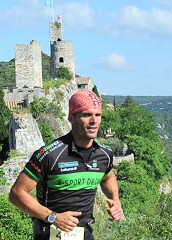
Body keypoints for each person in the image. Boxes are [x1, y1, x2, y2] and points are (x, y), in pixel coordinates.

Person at [9, 89, 123, 240]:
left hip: (86, 235)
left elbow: (108, 177)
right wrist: (53, 217)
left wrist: (115, 201)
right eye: (86, 114)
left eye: (98, 115)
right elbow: (16, 194)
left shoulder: (104, 154)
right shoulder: (50, 155)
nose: (94, 120)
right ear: (71, 118)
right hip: (50, 235)